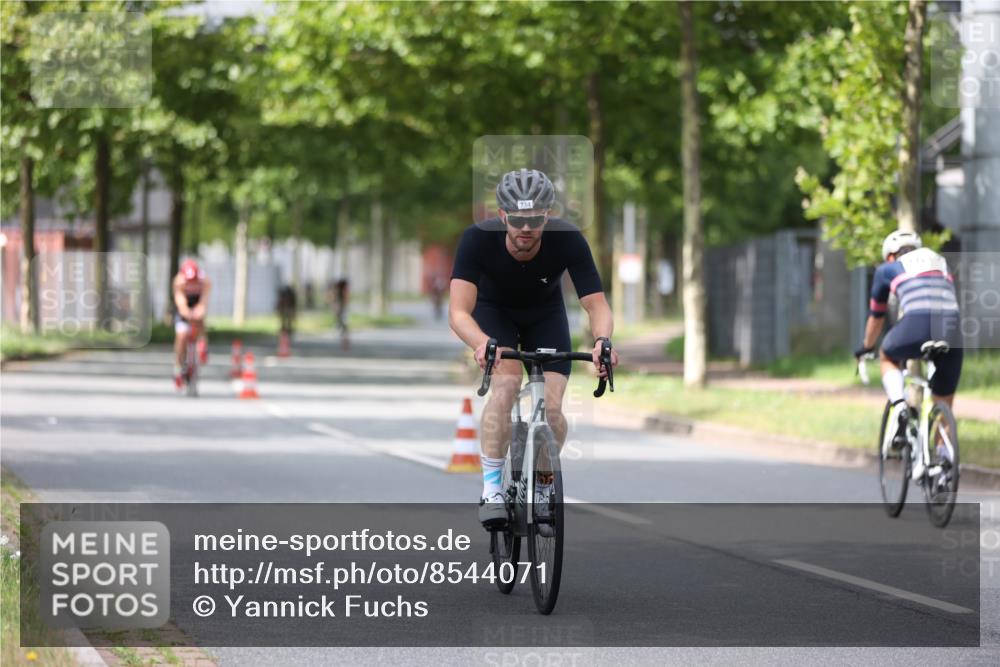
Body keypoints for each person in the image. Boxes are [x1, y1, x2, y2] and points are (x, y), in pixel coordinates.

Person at [449, 168, 619, 528]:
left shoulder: (569, 239)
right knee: (507, 384)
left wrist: (602, 341)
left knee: (552, 409)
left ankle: (543, 486)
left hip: (545, 316)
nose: (526, 228)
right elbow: (459, 312)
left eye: (535, 219)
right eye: (518, 219)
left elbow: (596, 304)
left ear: (547, 216)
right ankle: (493, 488)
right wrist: (481, 343)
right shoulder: (477, 239)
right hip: (494, 317)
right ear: (502, 216)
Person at [855, 230, 963, 478]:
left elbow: (876, 317)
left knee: (887, 355)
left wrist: (866, 347)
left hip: (918, 321)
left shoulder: (886, 270)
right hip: (953, 329)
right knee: (943, 401)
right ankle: (944, 466)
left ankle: (900, 405)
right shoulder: (940, 261)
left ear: (891, 255)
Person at [172, 259, 212, 389]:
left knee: (200, 322)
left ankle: (202, 347)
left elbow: (204, 301)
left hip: (197, 302)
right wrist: (186, 312)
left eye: (194, 281)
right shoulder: (179, 281)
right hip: (184, 306)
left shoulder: (205, 281)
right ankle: (178, 368)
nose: (192, 283)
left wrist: (200, 311)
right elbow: (180, 302)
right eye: (190, 281)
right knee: (182, 335)